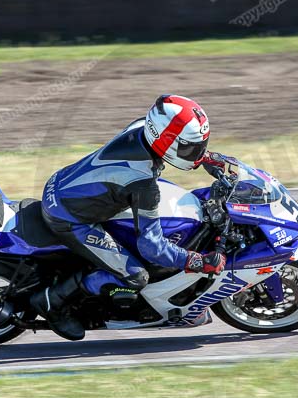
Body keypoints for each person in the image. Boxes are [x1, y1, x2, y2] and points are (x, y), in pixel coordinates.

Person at [31, 94, 226, 340]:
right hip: (69, 217)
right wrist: (196, 261)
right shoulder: (143, 185)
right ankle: (53, 301)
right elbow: (152, 247)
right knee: (135, 275)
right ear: (165, 139)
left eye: (200, 145)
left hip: (64, 183)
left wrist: (205, 158)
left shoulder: (141, 128)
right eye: (190, 147)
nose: (196, 151)